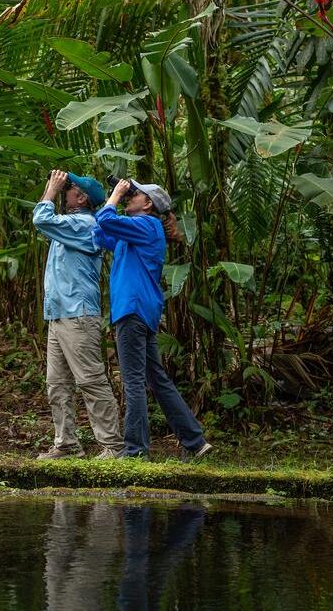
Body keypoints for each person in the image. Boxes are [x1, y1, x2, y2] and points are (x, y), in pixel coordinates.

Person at [94, 178, 212, 460]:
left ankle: (135, 451)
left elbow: (105, 219)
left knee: (133, 381)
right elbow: (101, 233)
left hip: (132, 309)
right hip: (140, 310)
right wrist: (115, 201)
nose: (128, 197)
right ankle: (195, 442)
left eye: (134, 195)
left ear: (147, 204)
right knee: (156, 379)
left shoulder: (147, 225)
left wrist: (116, 194)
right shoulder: (137, 231)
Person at [32, 170, 124, 460]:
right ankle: (67, 443)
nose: (62, 190)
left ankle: (113, 446)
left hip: (79, 315)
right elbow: (46, 220)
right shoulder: (66, 225)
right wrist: (52, 189)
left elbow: (40, 219)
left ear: (81, 198)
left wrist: (50, 191)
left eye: (68, 189)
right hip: (59, 315)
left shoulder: (86, 225)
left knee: (91, 380)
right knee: (57, 384)